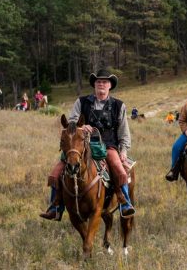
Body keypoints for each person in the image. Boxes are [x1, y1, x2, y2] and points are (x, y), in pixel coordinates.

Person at [40, 69, 136, 220]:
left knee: (120, 170)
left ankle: (125, 203)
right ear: (94, 85)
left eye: (104, 82)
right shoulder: (81, 102)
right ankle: (55, 206)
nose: (101, 84)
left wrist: (123, 151)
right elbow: (71, 124)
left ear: (110, 85)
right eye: (98, 82)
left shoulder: (119, 105)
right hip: (81, 146)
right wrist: (80, 127)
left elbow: (124, 132)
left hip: (108, 146)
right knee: (56, 173)